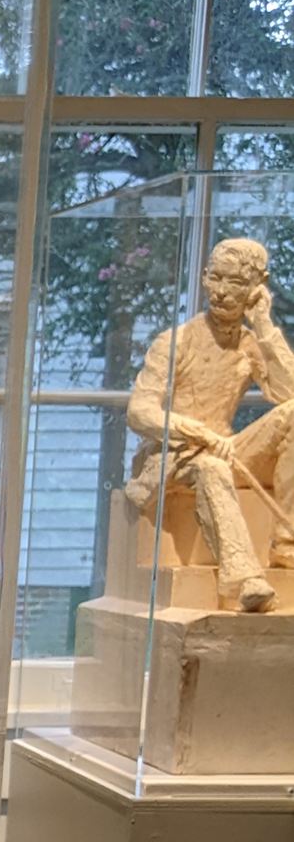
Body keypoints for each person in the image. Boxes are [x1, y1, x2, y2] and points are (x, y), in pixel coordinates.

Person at [125, 234, 294, 612]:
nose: (220, 291)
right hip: (175, 457)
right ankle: (244, 578)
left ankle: (287, 544)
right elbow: (139, 411)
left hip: (227, 449)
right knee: (212, 467)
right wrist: (195, 430)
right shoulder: (176, 342)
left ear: (255, 288)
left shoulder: (251, 344)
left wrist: (265, 326)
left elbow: (289, 392)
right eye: (214, 278)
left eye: (234, 282)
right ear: (203, 277)